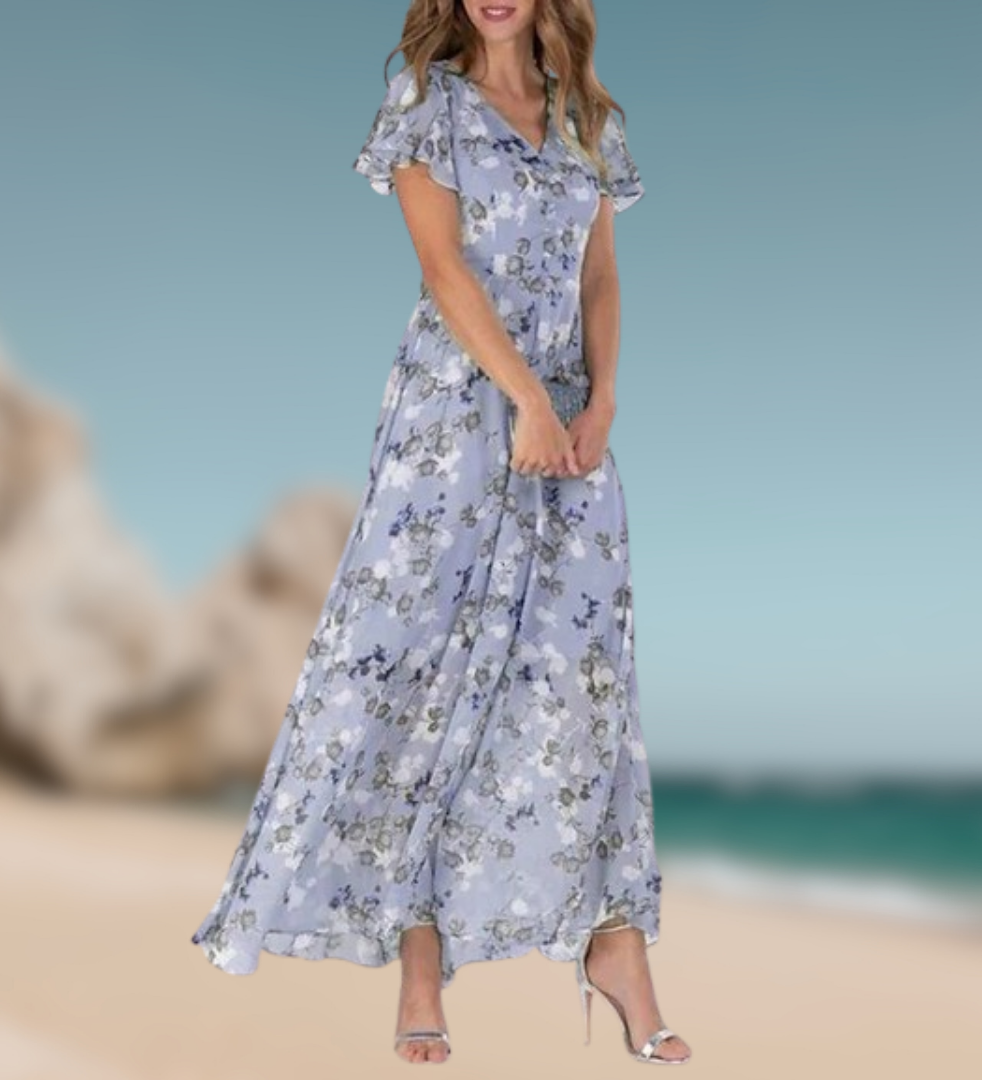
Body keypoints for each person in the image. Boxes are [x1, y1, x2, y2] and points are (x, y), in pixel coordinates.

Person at [190, 0, 691, 1066]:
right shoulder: (426, 103)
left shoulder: (590, 121)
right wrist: (527, 400)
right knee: (419, 674)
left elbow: (600, 274)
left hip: (572, 429)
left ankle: (616, 942)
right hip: (455, 419)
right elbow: (443, 268)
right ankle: (420, 957)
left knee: (583, 685)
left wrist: (600, 402)